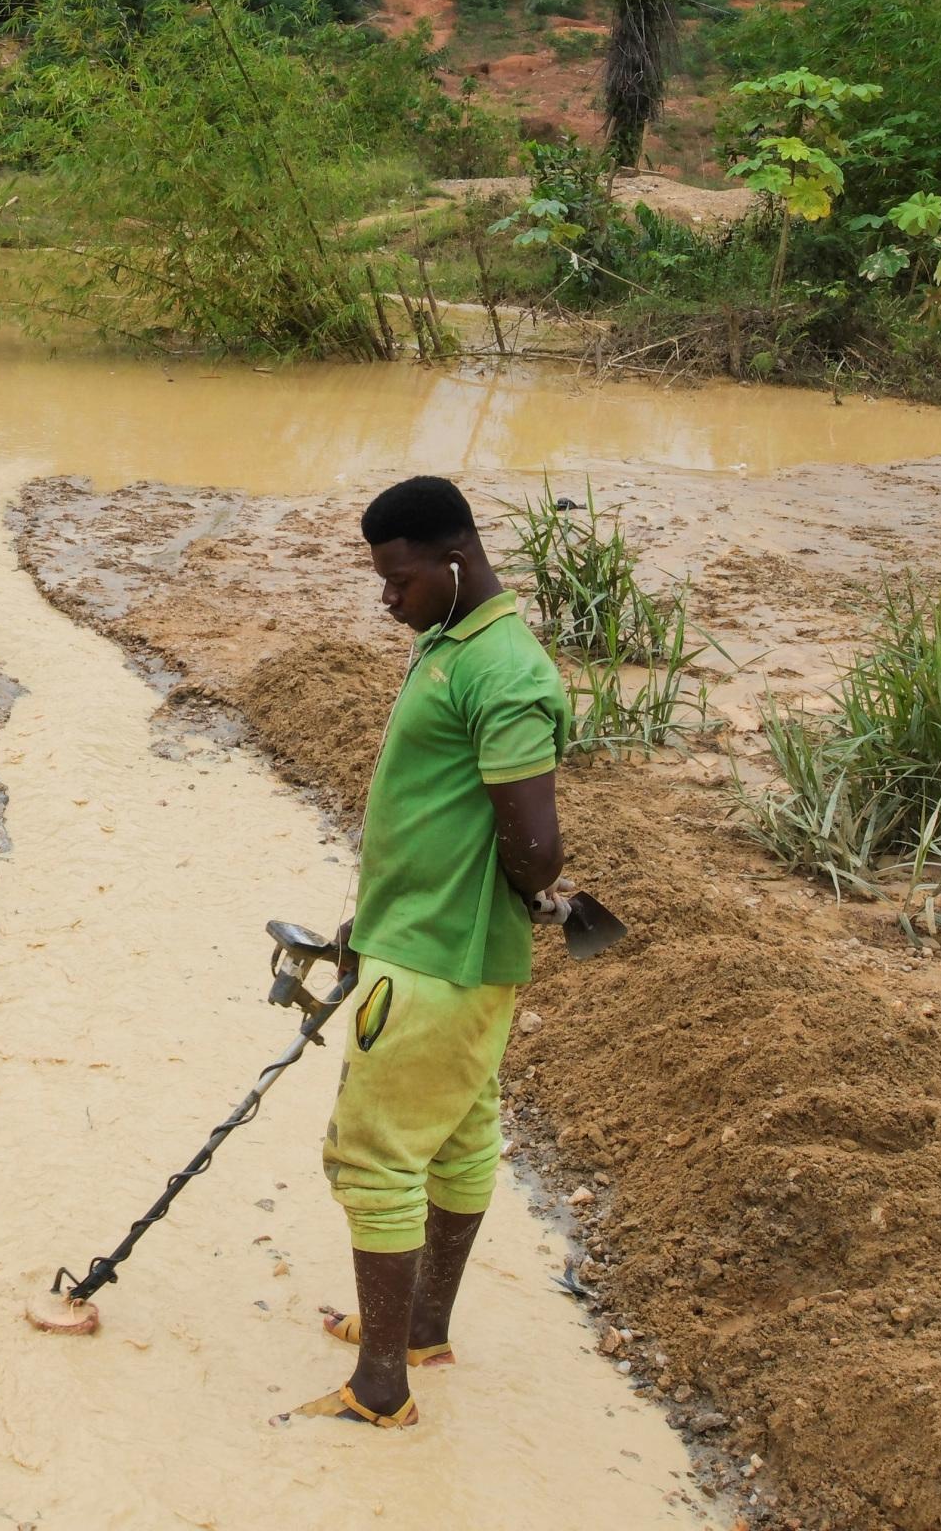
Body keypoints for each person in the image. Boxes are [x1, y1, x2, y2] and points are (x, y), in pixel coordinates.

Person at [302, 474, 569, 1429]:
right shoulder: (453, 642)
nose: (388, 598)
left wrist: (431, 921)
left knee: (372, 1159)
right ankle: (422, 1328)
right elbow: (448, 815)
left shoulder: (507, 673)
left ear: (456, 563)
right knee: (457, 1139)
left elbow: (536, 848)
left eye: (400, 579)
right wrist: (369, 925)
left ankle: (380, 1389)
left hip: (436, 967)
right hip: (440, 952)